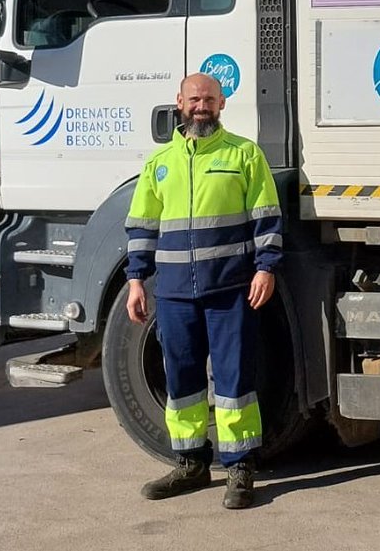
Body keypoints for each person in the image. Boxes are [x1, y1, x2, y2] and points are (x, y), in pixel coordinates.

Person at [124, 73, 283, 509]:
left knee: (233, 384)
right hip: (174, 294)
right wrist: (135, 279)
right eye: (194, 98)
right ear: (179, 102)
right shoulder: (160, 162)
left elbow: (266, 219)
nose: (201, 106)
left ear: (222, 103)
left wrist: (266, 268)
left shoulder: (244, 155)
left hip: (231, 289)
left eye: (209, 99)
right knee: (182, 384)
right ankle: (190, 465)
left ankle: (239, 468)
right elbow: (141, 226)